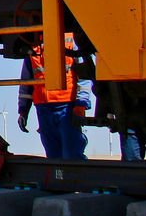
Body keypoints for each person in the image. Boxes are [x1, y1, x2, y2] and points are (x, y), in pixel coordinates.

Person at [17, 32, 93, 160]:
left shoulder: (72, 39)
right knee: (53, 156)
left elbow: (84, 75)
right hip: (43, 108)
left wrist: (81, 103)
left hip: (67, 106)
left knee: (72, 155)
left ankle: (77, 179)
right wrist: (23, 111)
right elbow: (26, 82)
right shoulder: (33, 43)